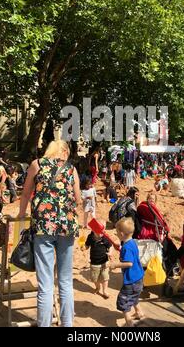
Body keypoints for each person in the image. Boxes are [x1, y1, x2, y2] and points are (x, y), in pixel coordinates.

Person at [19, 140, 82, 327]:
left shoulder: (37, 165)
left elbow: (25, 193)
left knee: (45, 284)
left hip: (43, 227)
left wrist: (22, 216)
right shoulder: (71, 169)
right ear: (63, 151)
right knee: (65, 280)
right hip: (67, 228)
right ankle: (68, 324)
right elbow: (78, 199)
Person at [110, 217, 144, 327]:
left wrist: (115, 265)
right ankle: (139, 312)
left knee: (123, 300)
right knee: (134, 296)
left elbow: (129, 263)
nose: (116, 235)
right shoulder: (132, 242)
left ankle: (129, 322)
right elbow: (130, 254)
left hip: (131, 280)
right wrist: (120, 248)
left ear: (121, 233)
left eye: (117, 233)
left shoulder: (126, 248)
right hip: (139, 277)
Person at [82, 228, 113, 299]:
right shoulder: (90, 237)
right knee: (95, 278)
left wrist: (110, 252)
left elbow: (110, 246)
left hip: (104, 262)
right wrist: (84, 247)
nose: (102, 233)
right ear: (93, 230)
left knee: (105, 278)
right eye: (99, 232)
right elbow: (87, 246)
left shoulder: (105, 237)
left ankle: (105, 290)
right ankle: (98, 288)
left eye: (103, 231)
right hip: (94, 262)